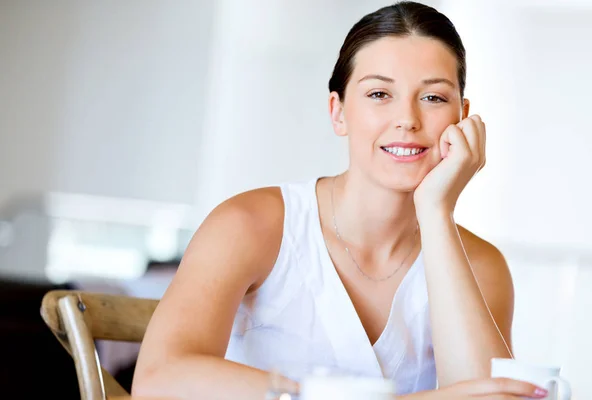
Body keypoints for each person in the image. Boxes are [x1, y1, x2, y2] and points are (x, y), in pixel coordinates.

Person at [132, 2, 549, 399]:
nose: (407, 119)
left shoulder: (481, 266)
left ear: (463, 117)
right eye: (379, 95)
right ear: (339, 112)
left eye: (433, 97)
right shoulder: (249, 225)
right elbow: (157, 378)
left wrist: (438, 213)